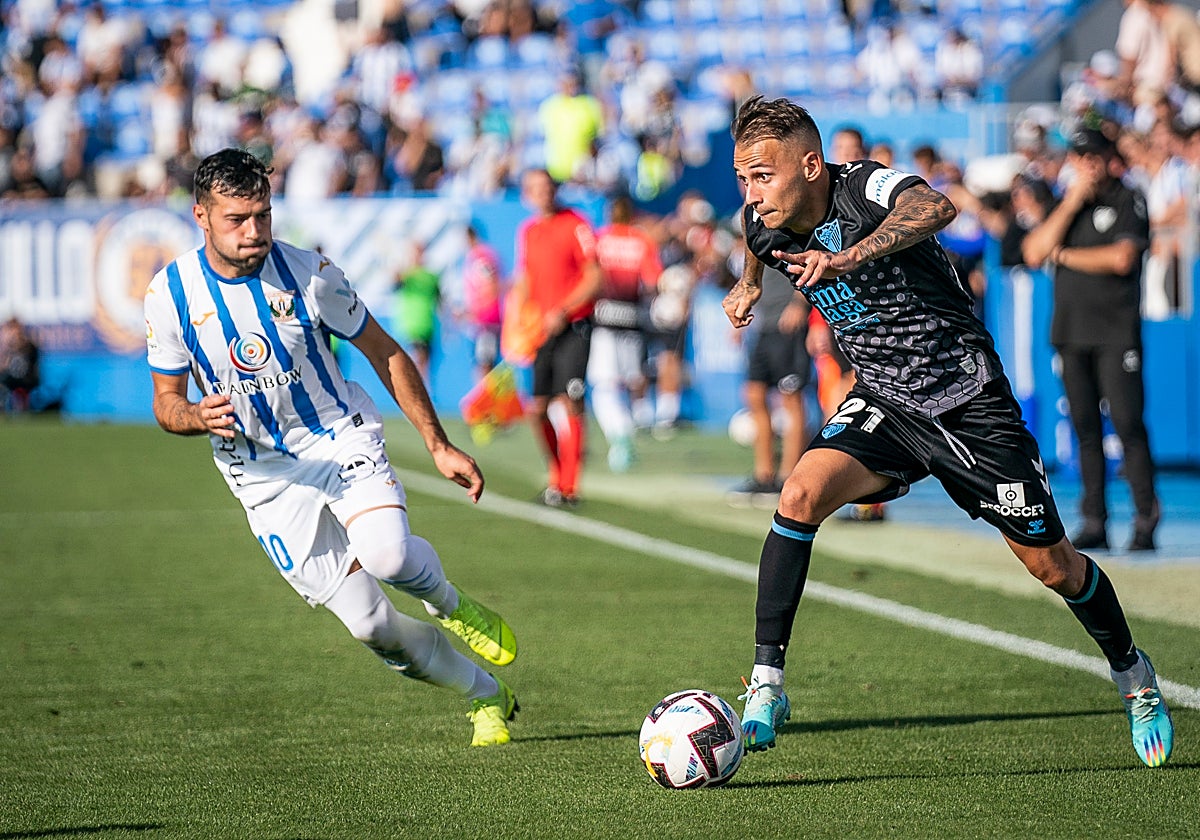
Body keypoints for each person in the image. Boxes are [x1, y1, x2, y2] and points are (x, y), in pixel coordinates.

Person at [722, 97, 1173, 768]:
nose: (751, 195)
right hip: (884, 399)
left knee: (1053, 565)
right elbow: (758, 246)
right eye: (743, 178)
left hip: (966, 401)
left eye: (762, 176)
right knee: (799, 497)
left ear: (811, 166)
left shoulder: (863, 186)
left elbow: (934, 208)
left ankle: (1134, 675)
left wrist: (852, 259)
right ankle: (768, 683)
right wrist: (748, 285)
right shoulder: (761, 221)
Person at [143, 149, 519, 747]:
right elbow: (166, 400)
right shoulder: (169, 296)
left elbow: (384, 350)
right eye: (237, 219)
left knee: (389, 557)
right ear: (201, 216)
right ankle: (484, 695)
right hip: (262, 477)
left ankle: (450, 603)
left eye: (262, 215)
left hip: (337, 435)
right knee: (372, 625)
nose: (254, 231)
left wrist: (438, 444)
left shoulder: (311, 274)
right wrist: (192, 415)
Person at [1022, 127, 1160, 552]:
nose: (1086, 166)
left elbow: (1121, 258)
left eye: (1092, 158)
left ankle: (1144, 518)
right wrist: (1072, 201)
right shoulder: (1067, 205)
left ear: (1107, 159)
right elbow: (1033, 250)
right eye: (1079, 158)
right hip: (1071, 331)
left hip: (1116, 332)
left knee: (1126, 424)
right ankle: (1094, 519)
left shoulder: (1128, 198)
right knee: (1084, 429)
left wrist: (1063, 256)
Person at [511, 168, 603, 506]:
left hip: (573, 326)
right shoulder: (530, 231)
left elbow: (595, 278)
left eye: (546, 187)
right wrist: (519, 319)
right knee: (536, 408)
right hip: (541, 330)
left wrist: (564, 310)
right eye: (534, 188)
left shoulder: (576, 224)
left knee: (570, 400)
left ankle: (569, 485)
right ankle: (555, 471)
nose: (541, 193)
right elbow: (525, 278)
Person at [725, 266, 810, 508]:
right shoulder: (761, 234)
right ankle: (765, 477)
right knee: (754, 395)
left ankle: (788, 477)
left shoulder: (794, 229)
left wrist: (800, 303)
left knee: (791, 399)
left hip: (789, 323)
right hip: (764, 325)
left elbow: (810, 263)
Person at [589, 194, 662, 472]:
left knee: (604, 384)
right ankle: (628, 428)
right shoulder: (641, 241)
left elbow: (590, 277)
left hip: (604, 318)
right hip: (633, 317)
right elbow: (653, 281)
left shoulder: (600, 239)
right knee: (629, 381)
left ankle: (620, 435)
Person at [459, 224, 506, 381]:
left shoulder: (481, 258)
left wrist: (475, 311)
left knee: (485, 364)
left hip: (487, 320)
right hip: (482, 321)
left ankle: (487, 402)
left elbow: (492, 285)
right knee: (483, 362)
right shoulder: (476, 257)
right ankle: (486, 400)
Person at [393, 240, 441, 384]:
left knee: (424, 365)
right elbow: (396, 283)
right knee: (417, 362)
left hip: (427, 325)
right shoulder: (406, 275)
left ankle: (423, 396)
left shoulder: (431, 276)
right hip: (411, 326)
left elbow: (439, 299)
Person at [0, 317, 40, 412]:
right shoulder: (6, 347)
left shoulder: (27, 345)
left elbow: (26, 367)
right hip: (8, 378)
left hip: (25, 379)